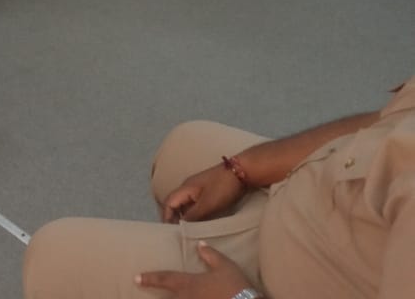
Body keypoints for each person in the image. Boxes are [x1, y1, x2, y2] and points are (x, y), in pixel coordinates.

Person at [23, 75, 415, 299]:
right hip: (322, 196)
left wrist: (240, 297)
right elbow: (386, 122)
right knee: (182, 144)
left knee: (52, 256)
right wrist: (244, 168)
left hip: (300, 276)